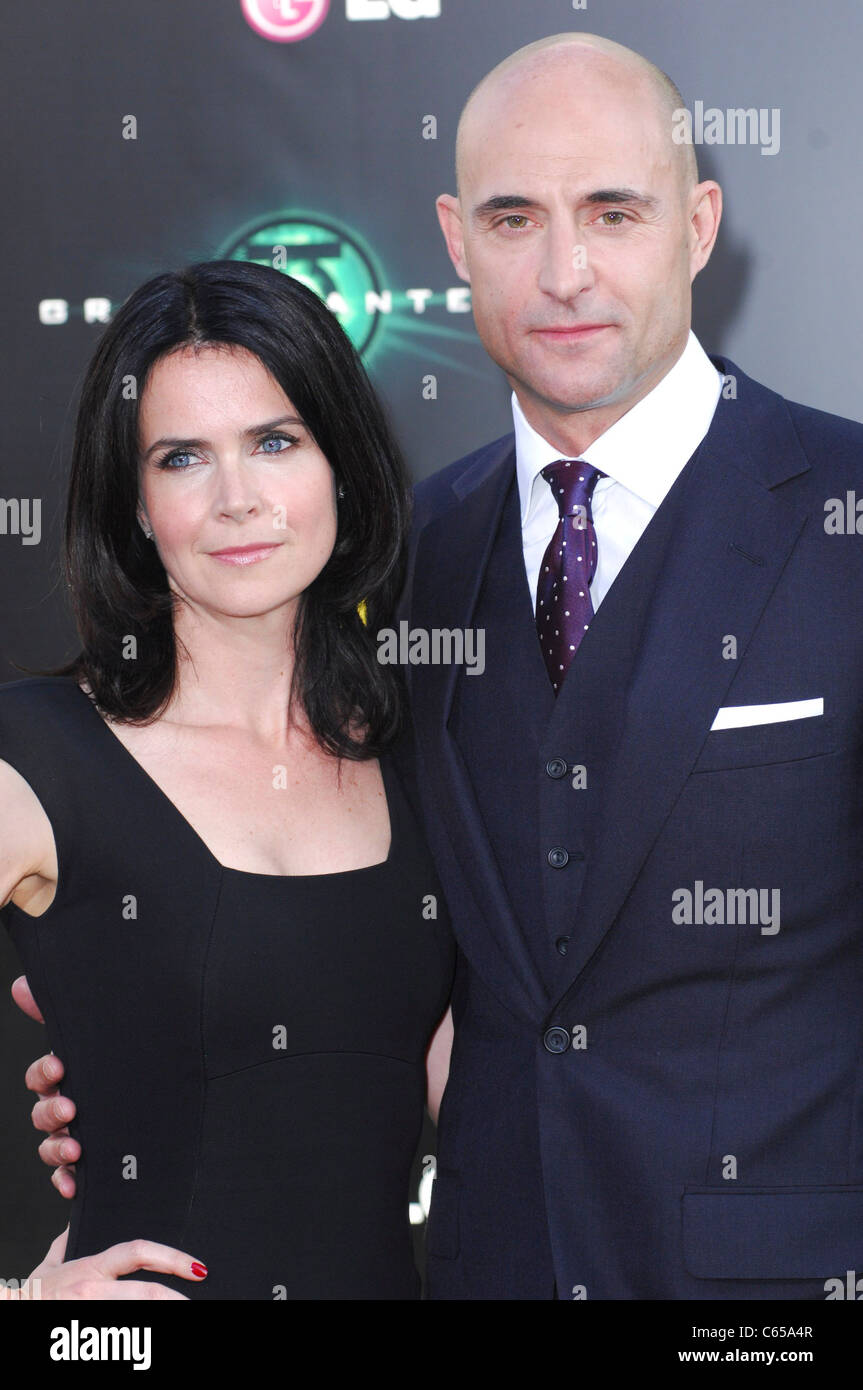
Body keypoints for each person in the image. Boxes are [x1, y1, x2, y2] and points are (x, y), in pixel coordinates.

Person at [23, 29, 863, 1300]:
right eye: (515, 217)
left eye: (612, 211)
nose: (565, 270)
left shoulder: (841, 511)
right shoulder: (400, 564)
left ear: (697, 223)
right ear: (455, 239)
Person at [1, 259, 454, 1300]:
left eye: (275, 442)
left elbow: (481, 1097)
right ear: (134, 503)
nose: (238, 499)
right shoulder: (38, 757)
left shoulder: (418, 752)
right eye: (181, 458)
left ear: (341, 463)